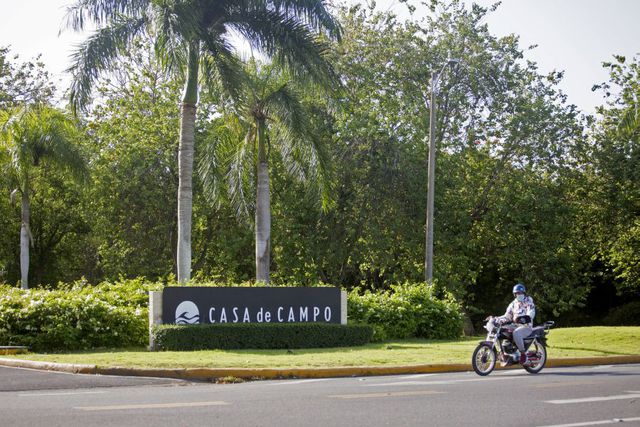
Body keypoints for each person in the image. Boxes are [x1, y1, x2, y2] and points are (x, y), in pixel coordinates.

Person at [494, 283, 536, 365]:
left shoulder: (529, 302)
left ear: (524, 293)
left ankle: (523, 354)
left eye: (521, 293)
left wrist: (525, 318)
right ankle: (504, 353)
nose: (519, 295)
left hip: (526, 326)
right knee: (501, 331)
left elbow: (531, 312)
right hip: (515, 325)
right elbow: (507, 316)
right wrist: (496, 319)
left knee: (516, 333)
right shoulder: (513, 304)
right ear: (515, 294)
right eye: (517, 293)